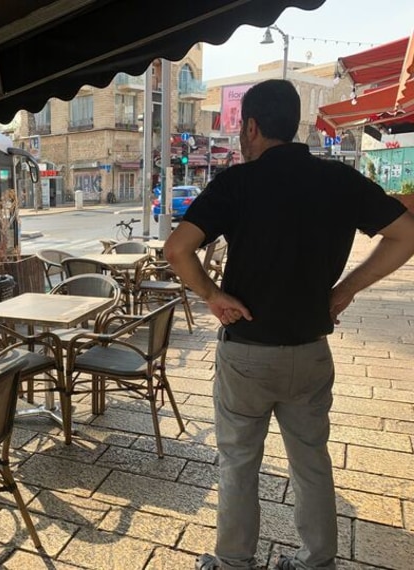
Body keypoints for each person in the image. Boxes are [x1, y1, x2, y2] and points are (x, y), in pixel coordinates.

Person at [163, 79, 414, 570]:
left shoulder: (236, 183)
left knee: (238, 464)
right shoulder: (340, 181)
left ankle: (234, 562)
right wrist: (344, 291)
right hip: (309, 350)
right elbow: (405, 235)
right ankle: (318, 561)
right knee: (312, 462)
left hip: (246, 354)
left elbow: (177, 250)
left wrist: (213, 296)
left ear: (251, 126)